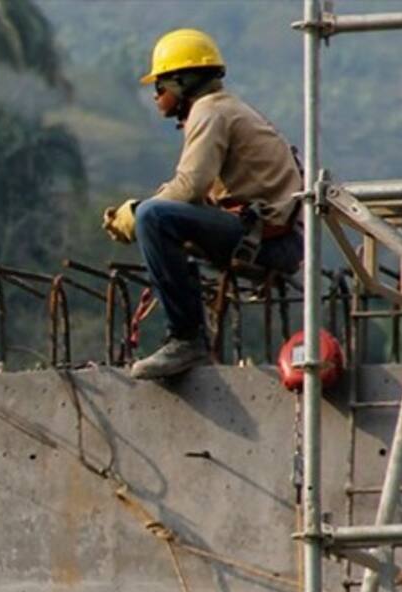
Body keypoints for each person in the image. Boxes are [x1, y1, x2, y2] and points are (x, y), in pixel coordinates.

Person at [103, 28, 304, 379]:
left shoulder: (209, 112)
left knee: (153, 217)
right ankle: (189, 327)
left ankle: (186, 339)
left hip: (267, 242)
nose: (156, 95)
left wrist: (135, 213)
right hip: (270, 237)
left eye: (160, 85)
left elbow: (189, 188)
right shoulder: (224, 109)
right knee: (161, 218)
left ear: (182, 81)